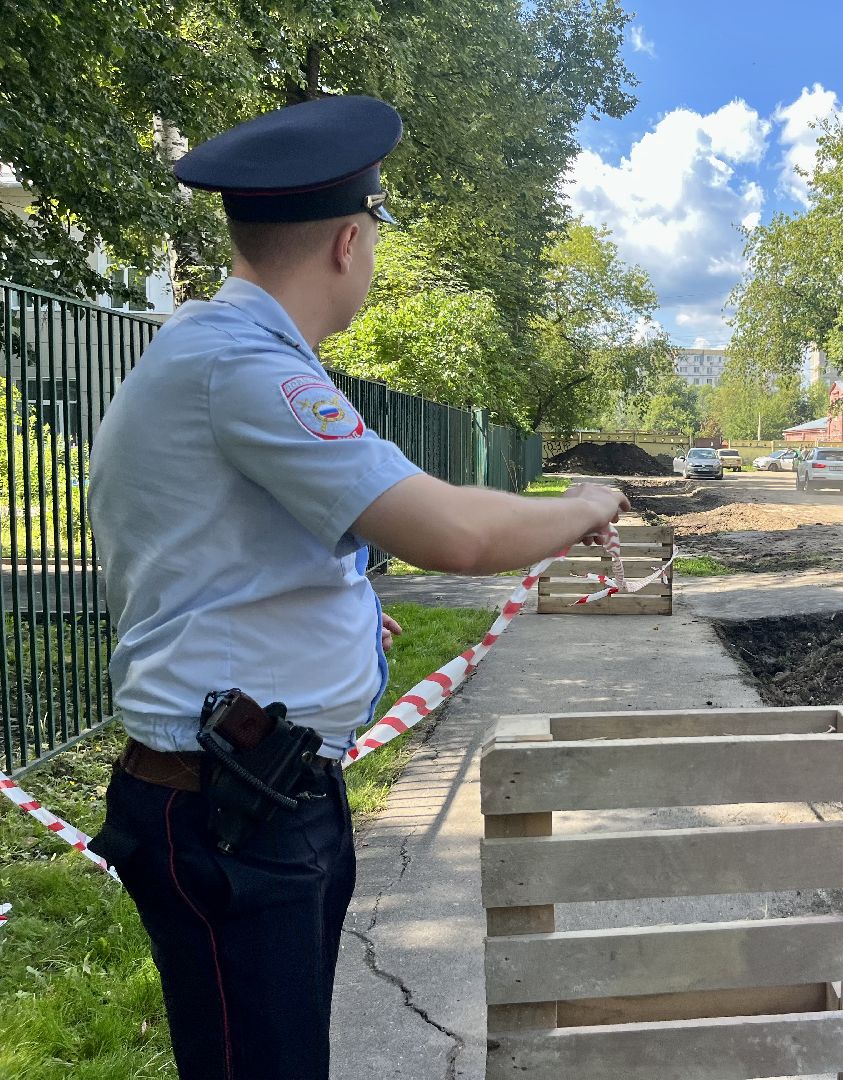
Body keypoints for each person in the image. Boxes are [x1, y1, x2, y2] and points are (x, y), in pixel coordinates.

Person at [86, 96, 628, 1080]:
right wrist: (589, 501)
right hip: (230, 814)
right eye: (374, 232)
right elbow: (455, 533)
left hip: (261, 790)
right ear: (348, 240)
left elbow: (257, 558)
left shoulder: (233, 357)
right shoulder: (246, 370)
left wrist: (340, 620)